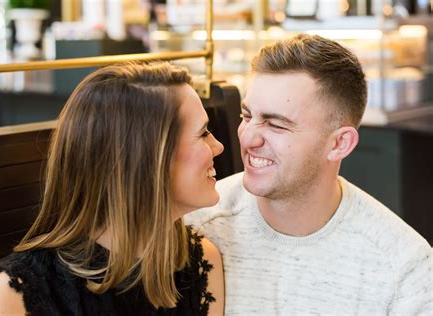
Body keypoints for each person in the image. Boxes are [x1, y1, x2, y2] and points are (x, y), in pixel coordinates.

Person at [185, 34, 433, 314]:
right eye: (247, 116)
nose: (248, 138)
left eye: (276, 125)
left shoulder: (403, 268)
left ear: (339, 144)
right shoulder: (194, 229)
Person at [0, 62, 225, 315]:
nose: (218, 146)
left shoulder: (202, 264)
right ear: (145, 159)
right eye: (203, 133)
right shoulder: (1, 301)